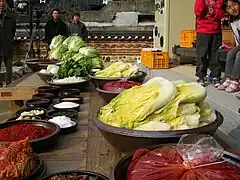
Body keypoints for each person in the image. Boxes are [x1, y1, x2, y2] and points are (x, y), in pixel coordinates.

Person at [194, 0, 225, 86]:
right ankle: (200, 76)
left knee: (215, 55)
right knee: (201, 55)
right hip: (202, 31)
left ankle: (215, 76)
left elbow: (222, 14)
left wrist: (213, 12)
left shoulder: (220, 1)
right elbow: (198, 12)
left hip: (216, 31)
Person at [216, 0, 240, 92]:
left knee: (239, 55)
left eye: (234, 4)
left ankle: (235, 80)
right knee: (230, 54)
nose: (233, 8)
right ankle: (228, 78)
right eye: (229, 7)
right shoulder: (232, 19)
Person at [0, 0, 16, 87]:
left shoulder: (12, 17)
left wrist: (9, 39)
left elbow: (14, 30)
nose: (1, 4)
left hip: (8, 44)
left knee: (9, 67)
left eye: (3, 1)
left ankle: (9, 85)